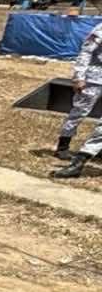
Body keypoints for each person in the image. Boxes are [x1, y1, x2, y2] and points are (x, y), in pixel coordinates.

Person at [50, 19, 102, 178]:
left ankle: (86, 156)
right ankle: (64, 147)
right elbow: (86, 52)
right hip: (94, 78)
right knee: (79, 112)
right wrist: (79, 76)